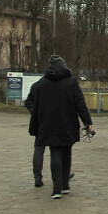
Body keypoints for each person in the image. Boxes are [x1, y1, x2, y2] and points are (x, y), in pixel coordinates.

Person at [28, 54, 94, 199]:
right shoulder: (70, 82)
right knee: (67, 153)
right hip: (68, 123)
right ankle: (65, 185)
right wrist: (87, 123)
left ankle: (56, 189)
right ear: (63, 66)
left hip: (49, 124)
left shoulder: (43, 83)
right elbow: (80, 104)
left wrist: (37, 124)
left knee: (55, 153)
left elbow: (36, 105)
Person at [25, 80, 75, 187]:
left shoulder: (37, 85)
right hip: (54, 122)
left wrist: (36, 113)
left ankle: (38, 177)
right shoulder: (56, 86)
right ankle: (62, 175)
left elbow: (28, 102)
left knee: (39, 149)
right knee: (58, 150)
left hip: (41, 122)